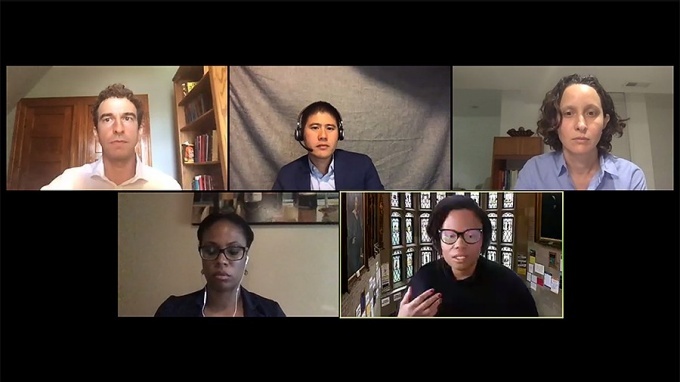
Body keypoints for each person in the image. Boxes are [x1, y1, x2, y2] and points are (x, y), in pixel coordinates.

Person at [398, 195, 538, 317]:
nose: (460, 244)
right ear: (438, 239)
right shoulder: (424, 279)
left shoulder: (510, 286)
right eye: (450, 236)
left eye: (471, 235)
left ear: (483, 238)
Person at [514, 74, 647, 190]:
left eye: (591, 113)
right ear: (555, 121)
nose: (581, 125)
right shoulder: (534, 172)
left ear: (605, 121)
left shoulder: (630, 177)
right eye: (568, 113)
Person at [41, 83, 182, 190]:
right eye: (107, 119)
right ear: (96, 132)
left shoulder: (167, 187)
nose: (118, 129)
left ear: (139, 130)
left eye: (127, 118)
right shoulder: (69, 183)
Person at [155, 212, 286, 317]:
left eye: (233, 252)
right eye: (211, 251)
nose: (221, 260)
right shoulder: (172, 310)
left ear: (245, 258)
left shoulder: (270, 312)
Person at [272, 101, 384, 191]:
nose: (323, 136)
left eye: (330, 128)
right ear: (301, 134)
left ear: (340, 134)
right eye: (315, 128)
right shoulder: (287, 175)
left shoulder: (362, 166)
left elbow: (380, 212)